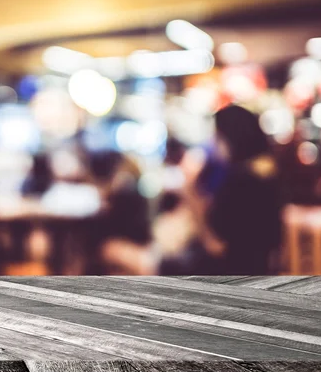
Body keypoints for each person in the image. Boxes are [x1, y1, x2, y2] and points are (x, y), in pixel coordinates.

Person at [103, 104, 283, 275]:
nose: (214, 142)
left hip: (221, 272)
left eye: (217, 136)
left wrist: (190, 196)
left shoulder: (241, 181)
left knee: (111, 250)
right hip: (252, 269)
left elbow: (216, 246)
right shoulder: (267, 174)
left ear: (230, 138)